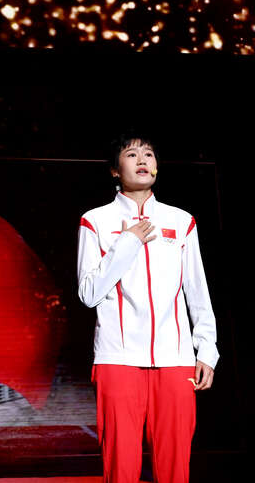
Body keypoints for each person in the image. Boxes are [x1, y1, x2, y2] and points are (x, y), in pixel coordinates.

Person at [77, 133, 218, 483]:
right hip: (117, 359)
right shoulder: (95, 221)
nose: (142, 160)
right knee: (121, 467)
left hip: (176, 360)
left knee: (174, 467)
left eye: (149, 154)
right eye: (131, 154)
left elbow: (196, 290)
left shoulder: (181, 221)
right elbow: (89, 293)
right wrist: (127, 242)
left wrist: (206, 349)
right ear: (114, 170)